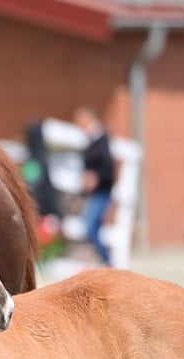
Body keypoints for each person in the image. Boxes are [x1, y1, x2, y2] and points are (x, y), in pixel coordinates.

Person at [73, 105, 114, 266]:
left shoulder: (101, 139)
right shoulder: (91, 139)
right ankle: (103, 260)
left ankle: (107, 260)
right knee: (92, 226)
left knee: (91, 226)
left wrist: (95, 177)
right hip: (95, 192)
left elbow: (108, 167)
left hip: (102, 190)